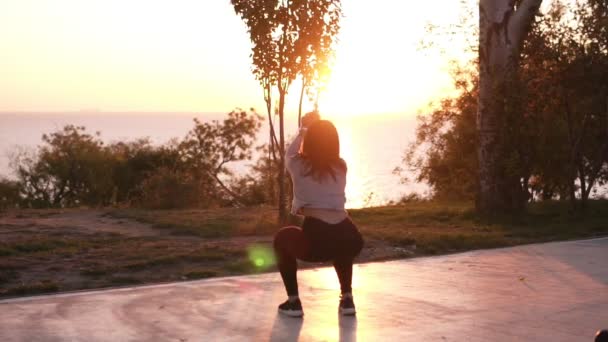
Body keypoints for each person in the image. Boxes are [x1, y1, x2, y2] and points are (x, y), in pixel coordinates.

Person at [273, 111, 364, 317]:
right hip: (350, 236)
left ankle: (294, 302)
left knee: (282, 238)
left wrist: (304, 131)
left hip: (318, 240)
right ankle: (347, 299)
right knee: (341, 246)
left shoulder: (299, 166)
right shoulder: (341, 166)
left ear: (310, 141)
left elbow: (289, 155)